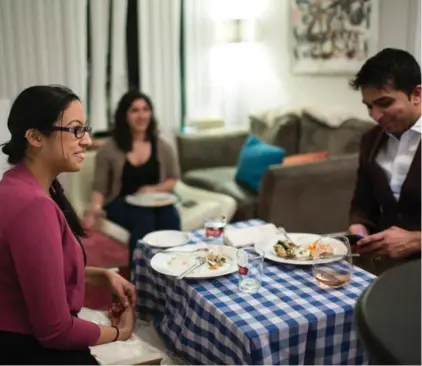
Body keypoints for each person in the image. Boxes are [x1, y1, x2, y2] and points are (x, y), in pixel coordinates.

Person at [0, 85, 136, 365]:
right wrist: (119, 332)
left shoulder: (16, 184)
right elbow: (55, 332)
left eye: (84, 128)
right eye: (75, 130)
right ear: (35, 137)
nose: (86, 140)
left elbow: (36, 270)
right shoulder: (34, 207)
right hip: (26, 349)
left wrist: (102, 275)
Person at [83, 90, 181, 271]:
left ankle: (172, 272)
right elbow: (100, 187)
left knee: (171, 216)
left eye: (145, 109)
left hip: (154, 201)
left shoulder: (162, 146)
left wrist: (152, 189)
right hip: (120, 203)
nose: (141, 115)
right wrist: (95, 208)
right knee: (145, 220)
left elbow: (173, 179)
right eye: (134, 110)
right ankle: (140, 278)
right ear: (124, 115)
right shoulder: (109, 149)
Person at [348, 48, 421, 274]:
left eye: (385, 103)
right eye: (369, 106)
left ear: (417, 94)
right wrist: (359, 230)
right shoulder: (370, 140)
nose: (376, 116)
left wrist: (416, 240)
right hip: (383, 270)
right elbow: (362, 203)